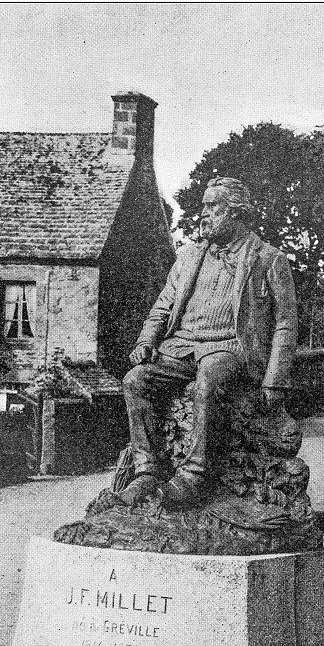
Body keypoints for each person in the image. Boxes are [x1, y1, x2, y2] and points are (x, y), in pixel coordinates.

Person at [121, 176, 298, 506]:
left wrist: (275, 380)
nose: (202, 213)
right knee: (135, 380)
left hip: (230, 346)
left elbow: (286, 324)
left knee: (208, 381)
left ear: (234, 212)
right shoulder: (188, 256)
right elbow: (163, 306)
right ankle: (145, 472)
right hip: (182, 344)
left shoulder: (268, 259)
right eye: (202, 206)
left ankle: (194, 476)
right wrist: (146, 340)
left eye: (211, 207)